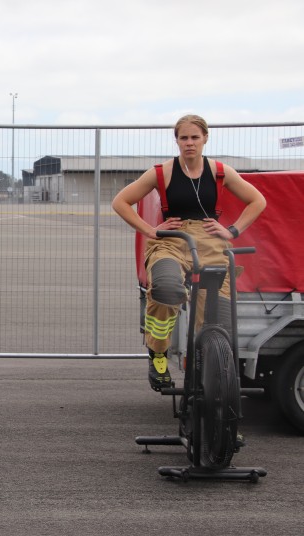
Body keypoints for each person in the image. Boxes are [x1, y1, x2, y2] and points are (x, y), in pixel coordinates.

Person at [111, 114, 266, 391]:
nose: (189, 143)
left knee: (218, 320)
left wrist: (232, 231)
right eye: (184, 138)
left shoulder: (220, 171)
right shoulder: (163, 172)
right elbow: (121, 201)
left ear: (205, 138)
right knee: (167, 290)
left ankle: (209, 378)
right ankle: (157, 353)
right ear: (177, 140)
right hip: (171, 240)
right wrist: (150, 230)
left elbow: (257, 200)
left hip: (210, 244)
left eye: (195, 137)